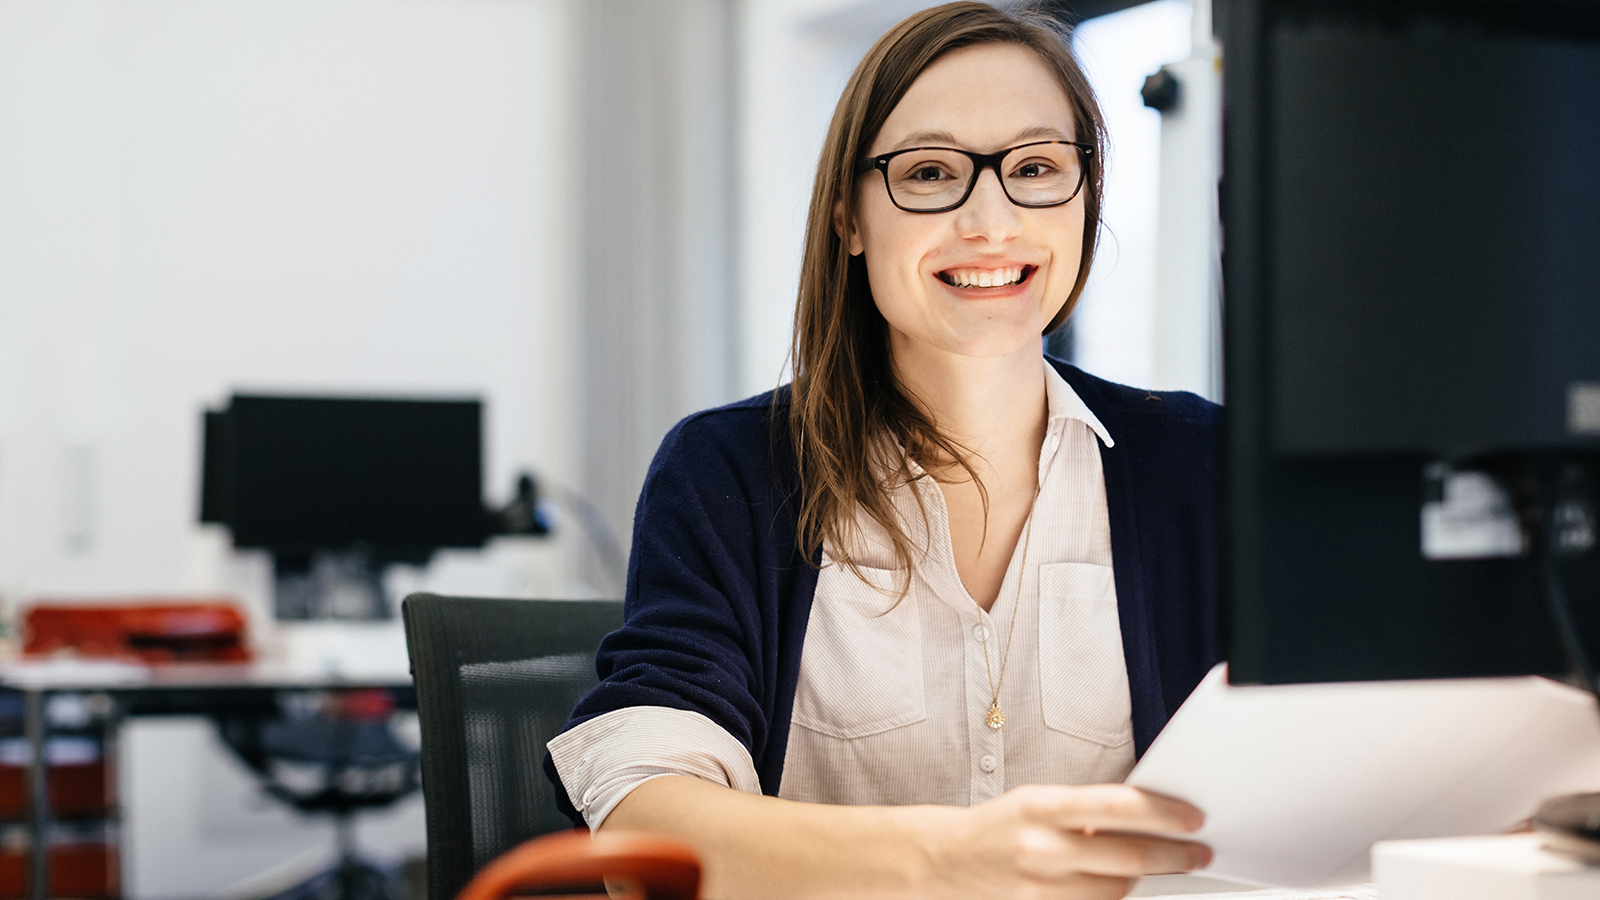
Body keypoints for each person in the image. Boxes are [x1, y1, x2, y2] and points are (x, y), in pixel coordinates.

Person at [547, 3, 1221, 897]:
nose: (992, 219)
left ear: (1086, 199)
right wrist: (950, 860)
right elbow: (644, 830)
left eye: (1035, 168)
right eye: (932, 172)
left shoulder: (1202, 466)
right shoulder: (730, 471)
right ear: (849, 219)